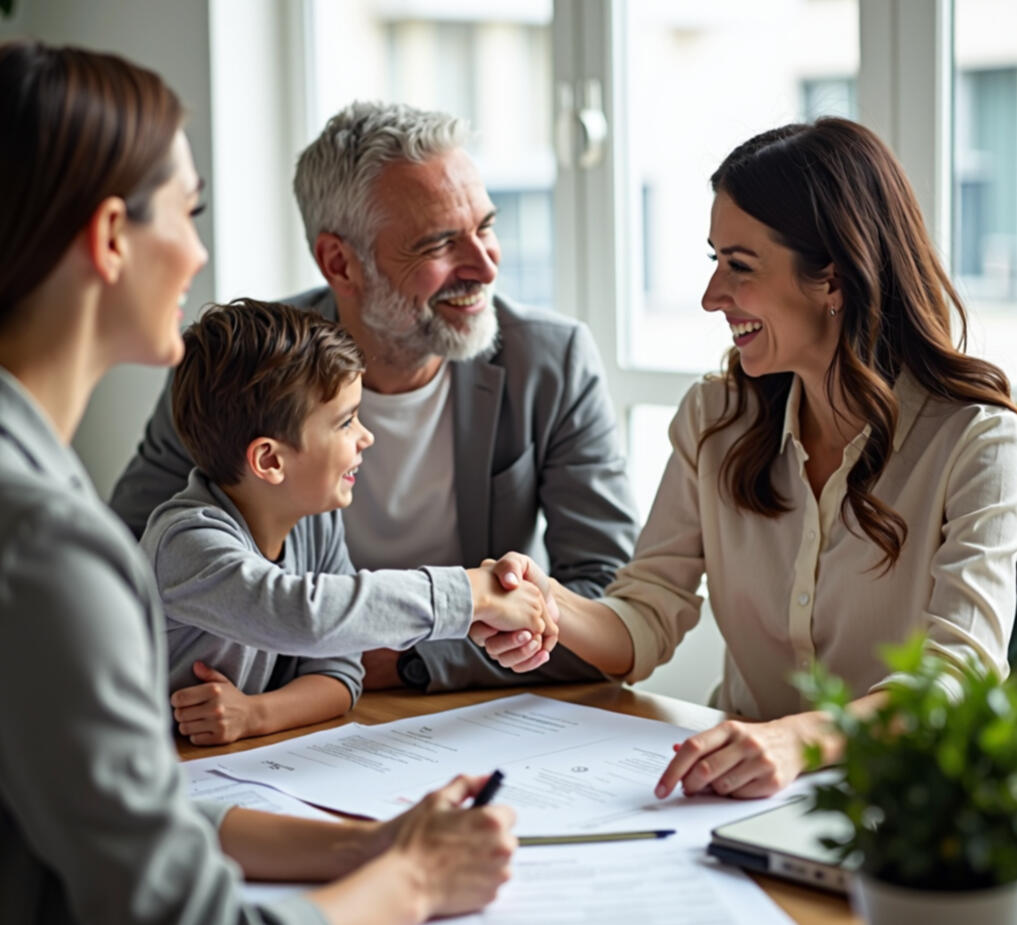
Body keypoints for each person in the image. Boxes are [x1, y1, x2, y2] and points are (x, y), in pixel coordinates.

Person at [0, 40, 517, 924]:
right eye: (189, 211)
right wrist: (415, 882)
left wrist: (363, 847)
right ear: (112, 238)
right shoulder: (45, 543)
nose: (199, 253)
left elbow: (113, 813)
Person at [483, 117, 1017, 800]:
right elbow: (646, 616)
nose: (711, 296)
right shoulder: (714, 419)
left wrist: (798, 739)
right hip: (730, 799)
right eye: (715, 260)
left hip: (902, 814)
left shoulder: (978, 444)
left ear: (833, 278)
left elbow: (953, 677)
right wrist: (547, 604)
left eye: (739, 266)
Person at [110, 100, 640, 692]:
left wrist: (411, 662)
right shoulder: (238, 370)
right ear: (340, 262)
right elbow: (120, 570)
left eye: (486, 227)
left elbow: (608, 612)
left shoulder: (552, 361)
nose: (486, 267)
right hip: (263, 719)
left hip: (427, 706)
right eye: (440, 244)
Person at [145, 298, 554, 746]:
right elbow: (305, 617)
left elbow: (341, 669)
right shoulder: (186, 543)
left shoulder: (313, 524)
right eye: (346, 423)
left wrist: (257, 714)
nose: (366, 436)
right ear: (270, 460)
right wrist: (471, 594)